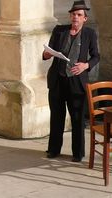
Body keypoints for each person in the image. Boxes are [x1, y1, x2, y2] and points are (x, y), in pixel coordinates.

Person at [43, 0, 100, 162]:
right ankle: (53, 150)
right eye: (73, 14)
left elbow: (96, 56)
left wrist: (85, 65)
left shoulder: (89, 33)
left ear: (85, 18)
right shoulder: (59, 31)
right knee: (56, 116)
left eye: (79, 15)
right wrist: (47, 54)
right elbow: (48, 51)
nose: (75, 17)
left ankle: (78, 153)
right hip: (58, 80)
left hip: (77, 82)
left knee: (77, 118)